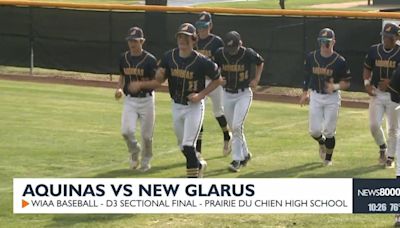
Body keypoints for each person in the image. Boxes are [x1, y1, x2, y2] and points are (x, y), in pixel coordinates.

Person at [129, 23, 222, 178]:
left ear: (193, 39)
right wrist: (143, 83)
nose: (182, 40)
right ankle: (198, 164)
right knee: (183, 146)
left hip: (194, 107)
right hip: (176, 106)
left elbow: (218, 80)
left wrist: (201, 95)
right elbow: (159, 80)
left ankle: (192, 180)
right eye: (180, 36)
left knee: (187, 144)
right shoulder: (169, 57)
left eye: (186, 37)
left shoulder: (202, 61)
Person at [300, 28, 351, 166]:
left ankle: (328, 158)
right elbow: (307, 75)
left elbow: (346, 82)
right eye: (322, 41)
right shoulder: (312, 57)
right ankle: (321, 143)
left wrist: (334, 87)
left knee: (329, 130)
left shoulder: (339, 61)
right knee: (314, 130)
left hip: (331, 98)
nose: (324, 44)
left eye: (327, 42)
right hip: (316, 95)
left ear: (333, 42)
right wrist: (305, 92)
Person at [214, 31, 264, 172]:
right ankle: (246, 154)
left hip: (243, 94)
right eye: (229, 48)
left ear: (240, 43)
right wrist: (218, 78)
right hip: (227, 93)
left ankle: (237, 160)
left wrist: (257, 79)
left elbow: (260, 62)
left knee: (236, 126)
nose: (232, 51)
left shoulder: (247, 53)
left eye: (234, 47)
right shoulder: (220, 53)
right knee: (235, 128)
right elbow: (214, 67)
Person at [115, 26, 157, 172]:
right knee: (126, 131)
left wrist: (141, 84)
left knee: (147, 136)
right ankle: (134, 151)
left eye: (135, 41)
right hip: (130, 100)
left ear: (142, 41)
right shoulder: (124, 58)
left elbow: (156, 82)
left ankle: (146, 162)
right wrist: (119, 88)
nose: (132, 44)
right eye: (130, 41)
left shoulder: (150, 60)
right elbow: (122, 76)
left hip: (146, 100)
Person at [195, 11, 231, 157]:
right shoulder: (194, 39)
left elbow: (224, 61)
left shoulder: (217, 42)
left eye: (204, 26)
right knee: (198, 114)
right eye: (199, 26)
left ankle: (227, 137)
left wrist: (222, 77)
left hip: (214, 81)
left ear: (210, 26)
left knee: (218, 112)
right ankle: (197, 151)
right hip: (199, 81)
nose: (201, 29)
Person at [363, 22, 400, 168]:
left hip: (395, 94)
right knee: (373, 125)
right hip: (377, 93)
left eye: (390, 37)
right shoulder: (374, 50)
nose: (386, 39)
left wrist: (391, 82)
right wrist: (366, 83)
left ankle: (390, 157)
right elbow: (367, 68)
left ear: (396, 37)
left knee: (393, 128)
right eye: (385, 36)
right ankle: (382, 146)